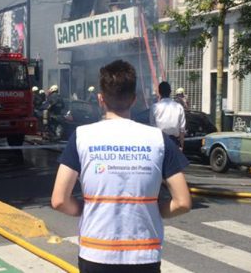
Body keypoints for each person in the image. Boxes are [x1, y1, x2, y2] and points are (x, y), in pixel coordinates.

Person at [51, 60, 191, 273]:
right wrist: (155, 210)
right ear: (134, 100)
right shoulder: (159, 140)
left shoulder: (81, 137)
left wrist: (84, 208)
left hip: (96, 252)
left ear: (100, 99)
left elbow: (59, 200)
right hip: (144, 255)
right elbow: (183, 202)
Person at [150, 82, 186, 149]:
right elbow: (182, 130)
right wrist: (181, 146)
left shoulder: (154, 107)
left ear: (159, 92)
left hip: (159, 143)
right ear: (170, 92)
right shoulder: (179, 107)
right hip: (174, 143)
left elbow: (153, 128)